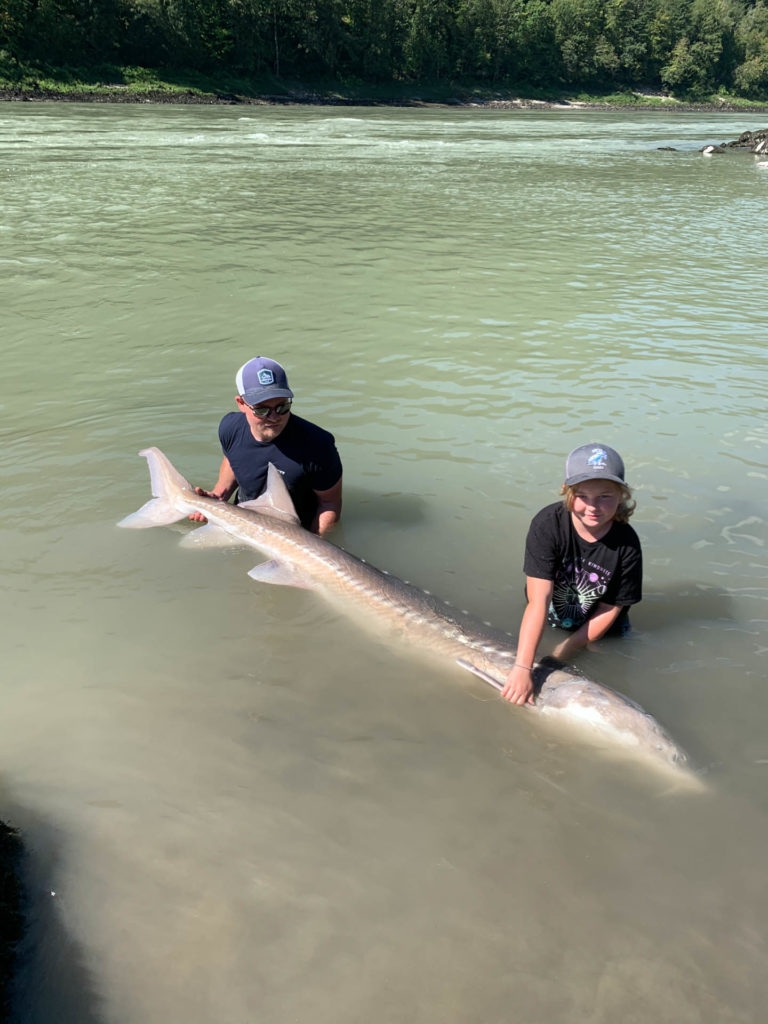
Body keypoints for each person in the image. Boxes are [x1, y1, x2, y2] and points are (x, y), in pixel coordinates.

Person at [501, 443, 642, 706]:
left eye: (605, 496)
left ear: (622, 496)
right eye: (583, 495)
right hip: (551, 609)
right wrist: (522, 668)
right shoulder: (548, 524)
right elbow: (538, 601)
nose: (593, 506)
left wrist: (567, 650)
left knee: (607, 666)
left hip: (601, 623)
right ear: (567, 493)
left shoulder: (627, 543)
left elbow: (610, 608)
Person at [192, 357, 342, 536]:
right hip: (242, 520)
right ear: (241, 404)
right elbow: (233, 458)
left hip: (295, 532)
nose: (273, 417)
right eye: (262, 410)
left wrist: (314, 545)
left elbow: (329, 503)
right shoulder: (230, 427)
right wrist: (219, 496)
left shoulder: (318, 445)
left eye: (282, 407)